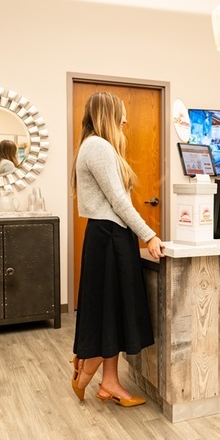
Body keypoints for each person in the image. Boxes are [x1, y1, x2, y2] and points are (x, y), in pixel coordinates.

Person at [70, 91, 164, 408]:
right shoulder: (97, 146)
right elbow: (119, 202)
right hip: (109, 236)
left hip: (112, 236)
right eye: (122, 114)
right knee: (107, 311)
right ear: (108, 115)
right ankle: (85, 372)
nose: (126, 120)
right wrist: (149, 235)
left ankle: (109, 383)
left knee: (113, 312)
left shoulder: (101, 147)